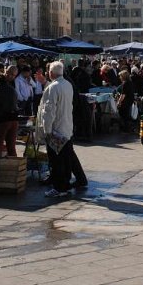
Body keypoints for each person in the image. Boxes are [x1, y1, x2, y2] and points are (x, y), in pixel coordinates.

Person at [37, 61, 87, 198]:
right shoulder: (67, 85)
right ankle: (64, 185)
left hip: (56, 130)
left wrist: (46, 130)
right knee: (65, 159)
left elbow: (49, 111)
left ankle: (59, 188)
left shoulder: (54, 87)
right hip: (66, 127)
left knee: (56, 161)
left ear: (51, 73)